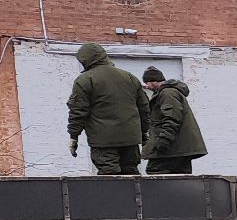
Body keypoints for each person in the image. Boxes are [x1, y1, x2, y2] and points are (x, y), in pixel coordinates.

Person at [65, 42, 150, 175]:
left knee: (109, 177)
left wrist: (73, 136)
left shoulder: (85, 80)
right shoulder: (129, 77)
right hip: (130, 139)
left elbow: (78, 111)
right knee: (131, 175)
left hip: (103, 140)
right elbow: (144, 108)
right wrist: (144, 132)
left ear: (85, 60)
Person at [141, 68, 208, 175]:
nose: (147, 86)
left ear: (154, 81)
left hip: (172, 148)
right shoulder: (170, 91)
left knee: (155, 172)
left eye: (147, 82)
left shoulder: (167, 93)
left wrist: (163, 141)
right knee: (181, 177)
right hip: (180, 148)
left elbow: (172, 118)